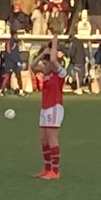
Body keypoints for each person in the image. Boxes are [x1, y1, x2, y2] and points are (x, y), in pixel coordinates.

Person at [34, 36, 67, 180]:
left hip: (54, 107)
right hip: (45, 107)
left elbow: (53, 60)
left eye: (47, 63)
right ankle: (47, 168)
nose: (45, 65)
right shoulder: (47, 72)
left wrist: (54, 43)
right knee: (43, 139)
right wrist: (42, 53)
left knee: (52, 139)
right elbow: (32, 66)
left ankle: (55, 171)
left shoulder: (60, 73)